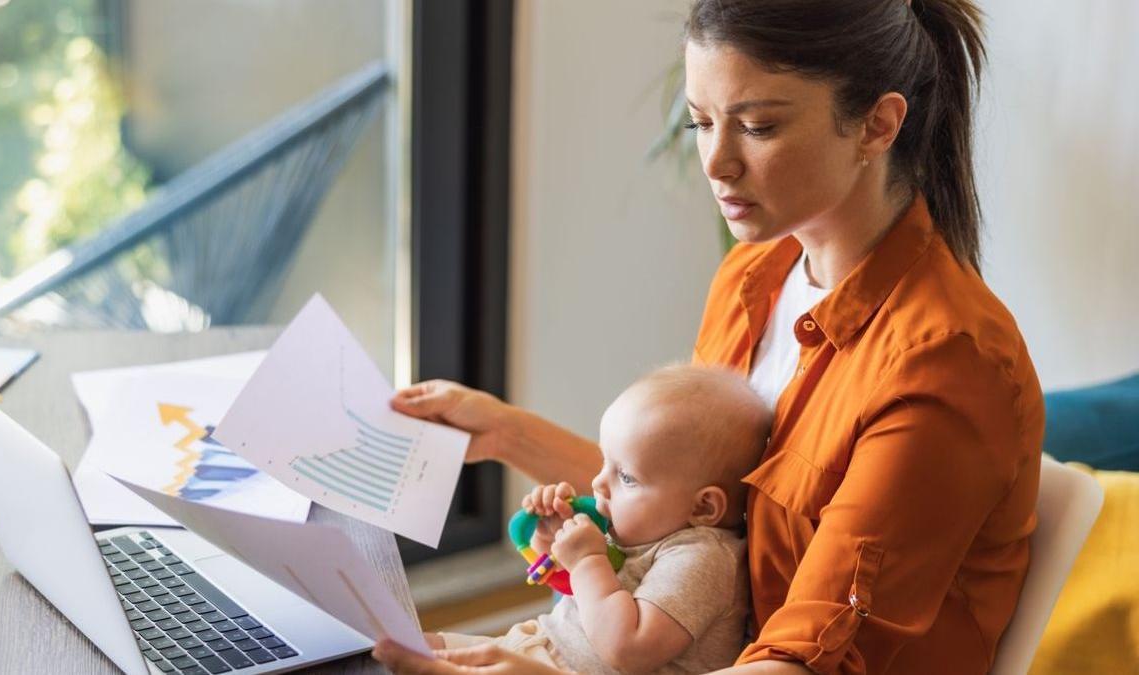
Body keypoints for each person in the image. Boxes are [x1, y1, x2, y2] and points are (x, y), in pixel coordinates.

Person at [376, 0, 1042, 673]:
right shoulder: (752, 277)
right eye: (700, 122)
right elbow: (685, 502)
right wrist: (502, 433)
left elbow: (803, 656)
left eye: (758, 126)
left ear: (876, 124)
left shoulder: (945, 365)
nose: (716, 162)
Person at [430, 365, 770, 674]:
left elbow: (628, 648)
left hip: (560, 667)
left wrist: (587, 562)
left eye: (625, 476)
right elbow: (587, 600)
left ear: (704, 508)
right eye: (604, 461)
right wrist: (553, 546)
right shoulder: (642, 528)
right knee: (412, 647)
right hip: (541, 646)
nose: (597, 484)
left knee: (417, 663)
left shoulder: (702, 559)